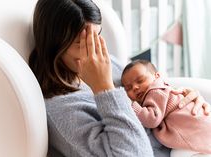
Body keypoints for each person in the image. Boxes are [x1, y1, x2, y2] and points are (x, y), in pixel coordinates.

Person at [29, 0, 209, 156]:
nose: (95, 50)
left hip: (187, 138)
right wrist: (104, 89)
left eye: (97, 36)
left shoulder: (107, 62)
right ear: (55, 45)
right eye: (82, 43)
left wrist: (180, 97)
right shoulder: (62, 110)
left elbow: (149, 84)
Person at [121, 59, 211, 157]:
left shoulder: (155, 91)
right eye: (128, 88)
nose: (135, 87)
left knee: (177, 154)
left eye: (140, 80)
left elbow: (151, 119)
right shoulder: (165, 90)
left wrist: (131, 105)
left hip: (195, 133)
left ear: (157, 76)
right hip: (202, 128)